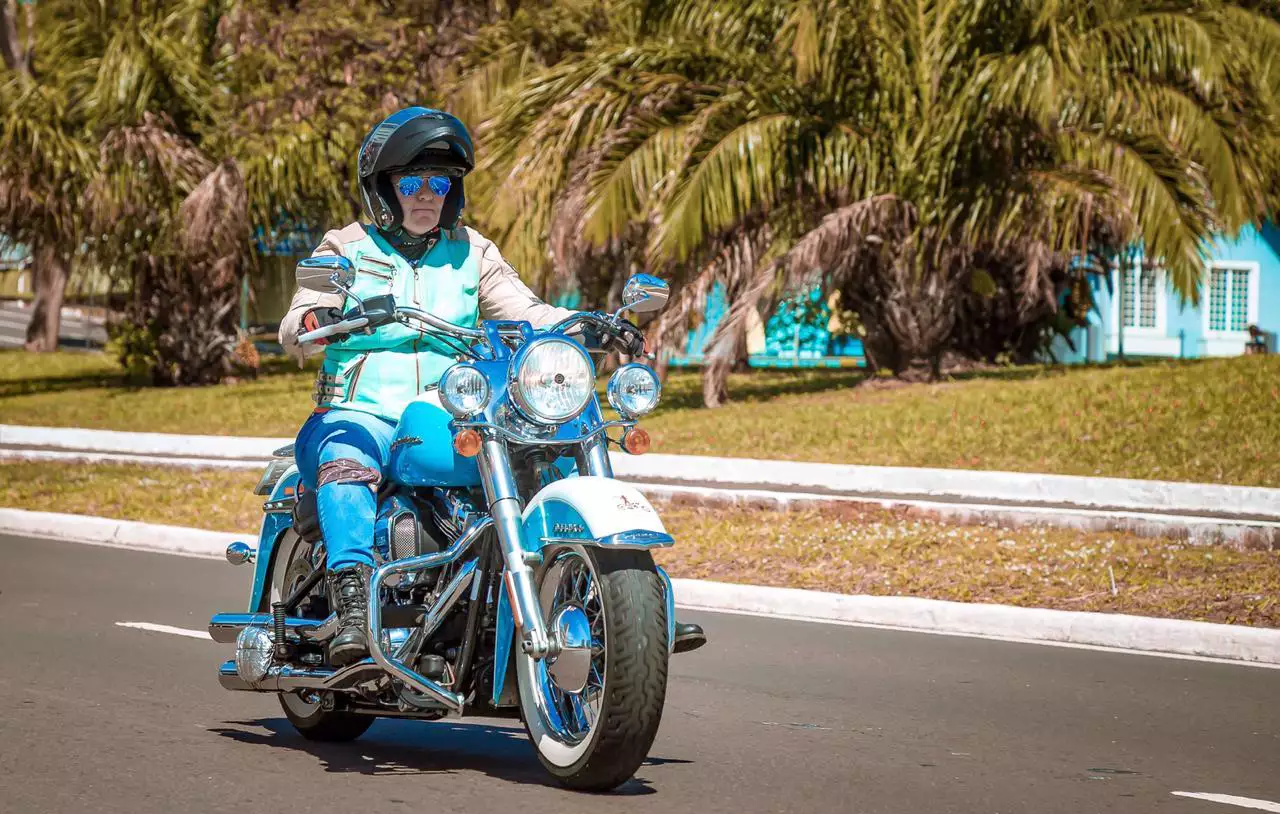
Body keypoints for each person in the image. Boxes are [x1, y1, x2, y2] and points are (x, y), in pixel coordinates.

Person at [280, 107, 705, 666]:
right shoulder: (343, 248)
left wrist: (593, 322)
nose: (428, 194)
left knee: (542, 456)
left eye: (441, 182)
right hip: (359, 410)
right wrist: (320, 319)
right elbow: (298, 322)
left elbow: (528, 310)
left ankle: (625, 612)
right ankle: (354, 608)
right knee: (347, 458)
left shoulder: (472, 250)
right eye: (413, 182)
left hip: (448, 407)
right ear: (384, 186)